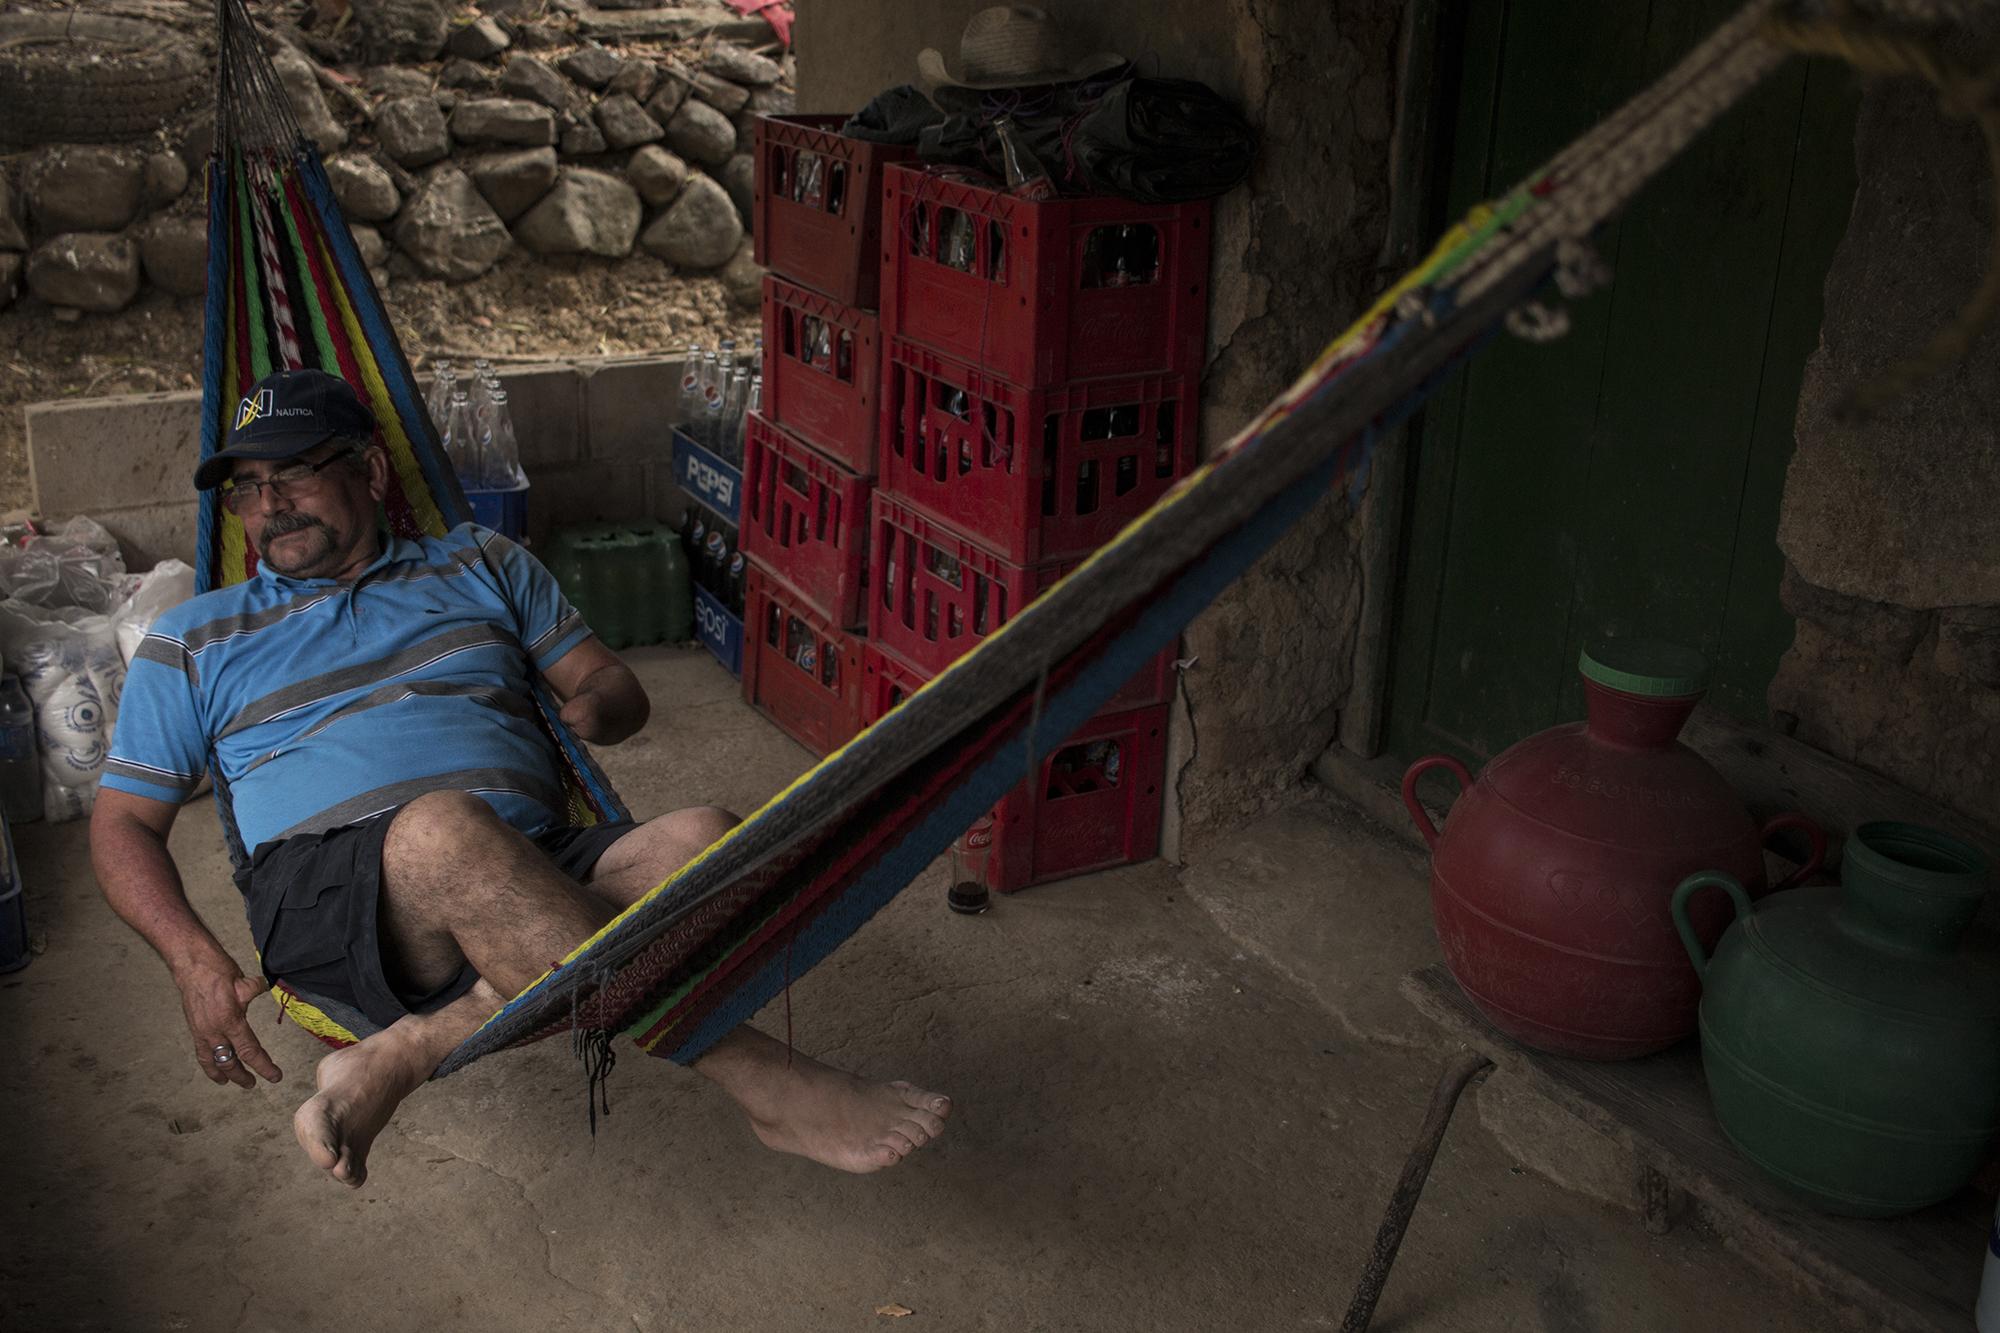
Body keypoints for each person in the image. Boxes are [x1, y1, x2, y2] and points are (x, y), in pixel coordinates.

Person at [90, 368, 950, 1188]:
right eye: (247, 486)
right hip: (330, 895)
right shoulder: (192, 638)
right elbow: (122, 823)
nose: (268, 504)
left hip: (528, 854)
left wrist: (597, 707)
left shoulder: (482, 562)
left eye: (296, 473)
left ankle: (414, 1044)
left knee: (707, 839)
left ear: (373, 469)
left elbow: (611, 685)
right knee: (443, 831)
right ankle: (767, 1081)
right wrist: (192, 960)